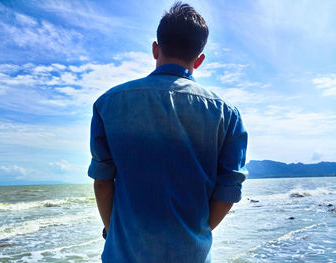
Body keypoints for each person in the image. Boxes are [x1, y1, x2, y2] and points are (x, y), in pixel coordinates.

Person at [88, 2, 248, 263]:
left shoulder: (109, 103)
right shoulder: (226, 113)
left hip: (124, 254)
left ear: (155, 49)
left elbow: (103, 181)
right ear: (199, 59)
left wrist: (113, 231)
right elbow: (230, 187)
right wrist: (195, 233)